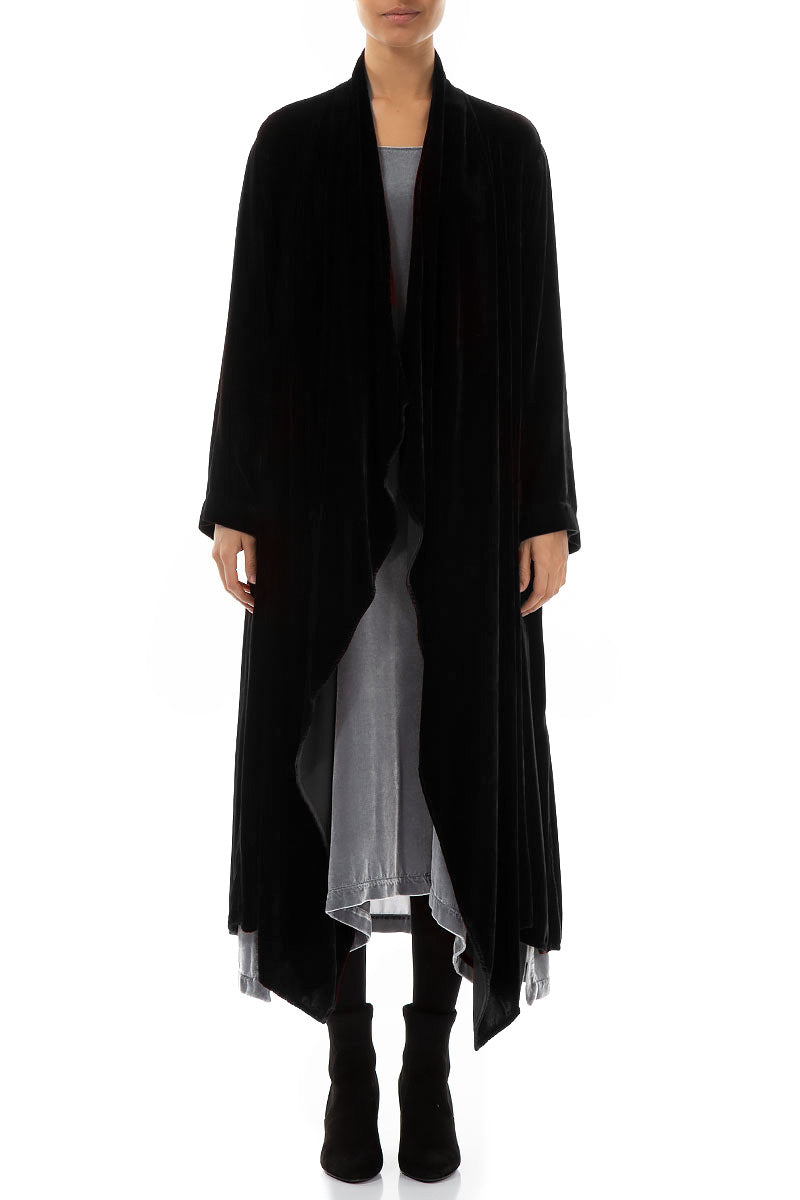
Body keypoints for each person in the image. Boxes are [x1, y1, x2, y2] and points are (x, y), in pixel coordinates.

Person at [199, 0, 580, 1185]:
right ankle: (346, 1061)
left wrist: (547, 510)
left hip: (462, 523)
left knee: (448, 765)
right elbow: (252, 331)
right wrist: (233, 501)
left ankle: (426, 1061)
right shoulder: (290, 145)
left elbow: (535, 346)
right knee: (336, 758)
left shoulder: (506, 151)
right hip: (324, 519)